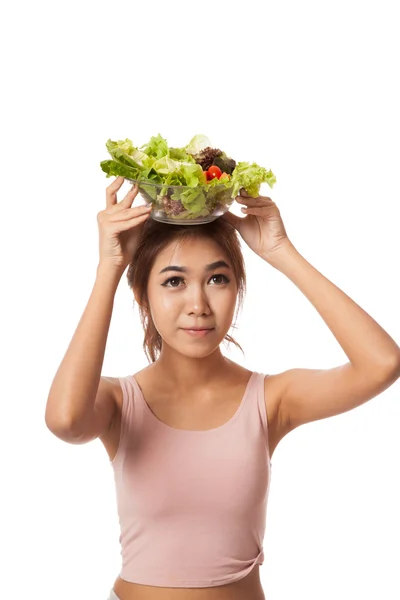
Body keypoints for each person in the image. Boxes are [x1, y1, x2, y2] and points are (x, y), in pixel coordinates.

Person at [45, 176, 400, 600]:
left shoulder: (270, 400)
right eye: (174, 281)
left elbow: (383, 364)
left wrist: (280, 252)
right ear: (143, 295)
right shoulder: (119, 402)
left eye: (217, 279)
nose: (198, 304)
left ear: (237, 290)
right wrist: (110, 268)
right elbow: (65, 421)